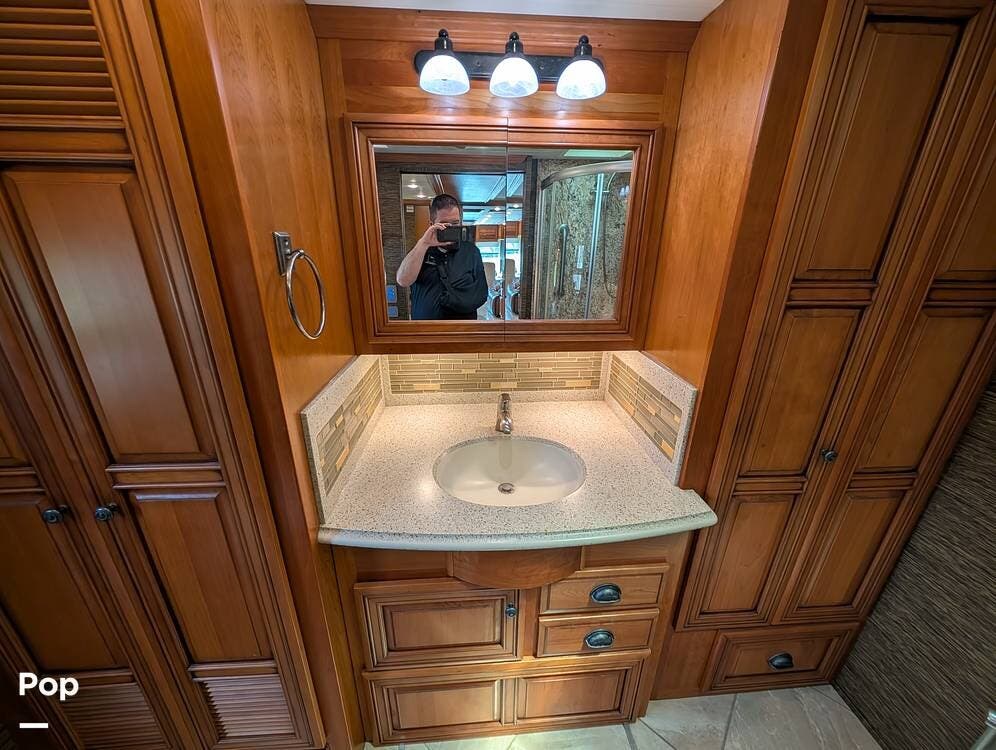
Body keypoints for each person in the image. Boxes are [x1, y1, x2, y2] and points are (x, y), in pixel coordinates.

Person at [396, 193, 489, 320]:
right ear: (432, 224)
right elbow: (403, 280)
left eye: (455, 223)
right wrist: (423, 243)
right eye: (444, 224)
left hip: (464, 329)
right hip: (426, 330)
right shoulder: (420, 251)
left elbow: (481, 293)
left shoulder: (471, 251)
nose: (451, 229)